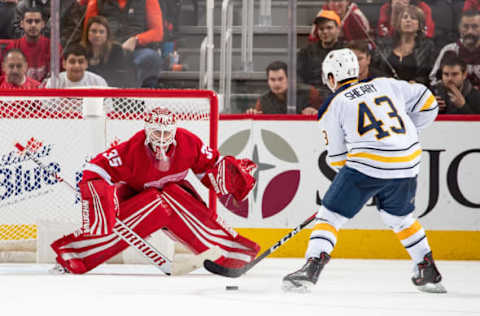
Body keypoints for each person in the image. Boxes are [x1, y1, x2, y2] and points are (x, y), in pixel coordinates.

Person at [282, 48, 446, 294]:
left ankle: (312, 267)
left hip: (366, 166)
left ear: (330, 78)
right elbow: (429, 102)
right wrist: (404, 133)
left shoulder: (333, 105)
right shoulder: (386, 84)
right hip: (408, 160)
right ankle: (427, 268)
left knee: (330, 215)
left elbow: (337, 157)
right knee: (400, 218)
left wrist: (357, 185)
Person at [50, 106, 261, 274]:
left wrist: (233, 175)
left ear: (174, 131)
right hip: (138, 199)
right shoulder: (131, 150)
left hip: (175, 196)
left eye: (166, 132)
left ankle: (233, 254)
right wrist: (99, 191)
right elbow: (96, 168)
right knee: (150, 204)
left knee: (172, 195)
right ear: (147, 130)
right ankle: (74, 256)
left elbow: (210, 166)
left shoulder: (189, 143)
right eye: (156, 132)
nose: (161, 138)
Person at [83, 0, 164, 87]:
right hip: (106, 51)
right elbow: (88, 31)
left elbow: (158, 32)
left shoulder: (149, 1)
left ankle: (133, 94)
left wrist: (136, 40)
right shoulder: (96, 2)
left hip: (136, 51)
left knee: (151, 57)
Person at [375, 5, 436, 85]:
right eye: (405, 17)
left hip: (415, 92)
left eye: (413, 18)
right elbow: (375, 68)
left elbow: (430, 74)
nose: (408, 20)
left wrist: (417, 82)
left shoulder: (427, 47)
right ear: (399, 22)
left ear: (420, 24)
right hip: (386, 90)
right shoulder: (384, 44)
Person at [298, 9, 344, 103]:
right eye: (321, 29)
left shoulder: (346, 52)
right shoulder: (306, 52)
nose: (325, 32)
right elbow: (297, 77)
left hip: (339, 98)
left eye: (329, 28)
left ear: (338, 29)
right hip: (311, 99)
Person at [4, 7, 61, 83]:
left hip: (47, 93)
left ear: (43, 24)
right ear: (22, 24)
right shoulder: (13, 46)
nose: (33, 25)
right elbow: (6, 77)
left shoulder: (54, 47)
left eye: (37, 21)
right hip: (20, 92)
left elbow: (60, 77)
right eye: (29, 21)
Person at [246, 61, 322, 115]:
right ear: (268, 81)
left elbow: (325, 116)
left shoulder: (310, 93)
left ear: (289, 79)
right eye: (272, 80)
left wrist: (316, 113)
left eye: (280, 79)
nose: (276, 83)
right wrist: (253, 114)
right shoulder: (263, 100)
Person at [429, 10, 480, 90]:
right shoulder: (449, 50)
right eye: (465, 27)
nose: (470, 31)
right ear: (459, 28)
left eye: (475, 27)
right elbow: (435, 80)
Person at [81, 15, 135, 87]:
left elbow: (119, 77)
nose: (97, 35)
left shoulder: (116, 50)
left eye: (101, 32)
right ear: (87, 33)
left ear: (107, 34)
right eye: (94, 31)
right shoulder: (80, 50)